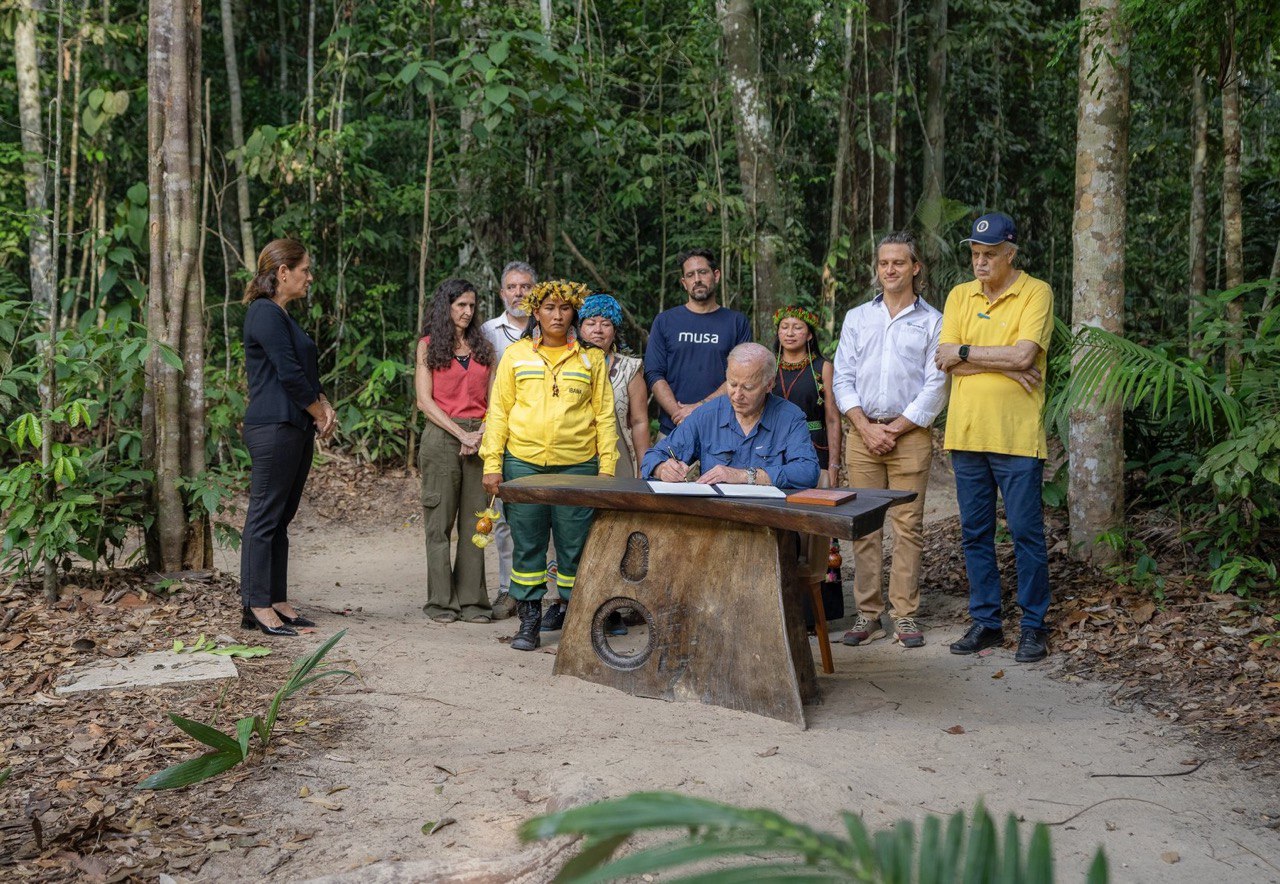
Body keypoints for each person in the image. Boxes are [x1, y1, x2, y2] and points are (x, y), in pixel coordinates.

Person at [935, 212, 1054, 663]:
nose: (980, 262)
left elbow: (1026, 355)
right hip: (966, 433)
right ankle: (986, 622)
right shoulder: (960, 295)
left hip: (1017, 437)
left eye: (989, 255)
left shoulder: (1036, 292)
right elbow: (944, 359)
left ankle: (1033, 626)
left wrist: (966, 353)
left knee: (1025, 533)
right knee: (975, 534)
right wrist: (998, 361)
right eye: (975, 254)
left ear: (1010, 253)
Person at [481, 280, 618, 651]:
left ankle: (576, 618)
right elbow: (499, 413)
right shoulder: (516, 355)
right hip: (523, 464)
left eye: (564, 308)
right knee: (528, 545)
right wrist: (492, 463)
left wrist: (607, 468)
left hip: (578, 468)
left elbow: (604, 417)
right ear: (535, 312)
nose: (557, 315)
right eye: (548, 308)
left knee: (576, 546)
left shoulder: (590, 359)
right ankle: (529, 621)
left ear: (574, 312)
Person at [831, 231, 948, 649]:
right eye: (884, 263)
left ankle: (906, 616)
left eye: (899, 262)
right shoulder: (857, 317)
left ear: (915, 268)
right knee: (864, 528)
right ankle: (868, 614)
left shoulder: (934, 321)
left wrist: (895, 428)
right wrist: (864, 426)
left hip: (910, 436)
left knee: (907, 527)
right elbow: (842, 377)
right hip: (862, 435)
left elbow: (936, 386)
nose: (890, 270)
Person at [239, 239, 336, 637]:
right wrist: (318, 413)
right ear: (283, 273)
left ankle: (276, 598)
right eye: (305, 270)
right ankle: (256, 605)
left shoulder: (284, 317)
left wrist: (324, 405)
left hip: (294, 427)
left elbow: (304, 371)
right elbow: (288, 374)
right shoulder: (263, 313)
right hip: (273, 427)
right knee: (264, 516)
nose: (309, 277)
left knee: (281, 518)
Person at [414, 278, 495, 624]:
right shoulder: (428, 346)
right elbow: (424, 401)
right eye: (461, 305)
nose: (467, 311)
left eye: (472, 306)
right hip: (441, 438)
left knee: (478, 524)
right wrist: (460, 434)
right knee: (439, 523)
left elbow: (496, 402)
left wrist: (480, 434)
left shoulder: (483, 347)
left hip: (480, 437)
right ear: (446, 306)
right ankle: (441, 603)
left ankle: (474, 602)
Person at [641, 343, 819, 490]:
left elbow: (808, 472)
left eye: (748, 388)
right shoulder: (707, 415)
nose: (737, 395)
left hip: (770, 520)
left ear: (769, 384)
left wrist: (744, 476)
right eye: (732, 384)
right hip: (717, 520)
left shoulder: (789, 417)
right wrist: (662, 468)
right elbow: (653, 456)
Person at [644, 248, 752, 440]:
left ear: (716, 275)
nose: (697, 279)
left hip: (723, 431)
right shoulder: (665, 321)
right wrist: (679, 414)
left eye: (703, 272)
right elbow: (654, 373)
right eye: (690, 275)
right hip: (673, 429)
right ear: (684, 283)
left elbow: (742, 375)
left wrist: (699, 409)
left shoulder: (736, 322)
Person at [479, 261, 536, 619]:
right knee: (501, 519)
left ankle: (540, 593)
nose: (519, 293)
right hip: (500, 434)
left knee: (540, 516)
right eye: (512, 287)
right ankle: (507, 590)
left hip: (537, 436)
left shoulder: (550, 328)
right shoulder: (487, 332)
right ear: (502, 293)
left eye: (526, 286)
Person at [577, 293, 649, 478]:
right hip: (574, 459)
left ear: (615, 331)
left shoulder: (629, 369)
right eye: (591, 323)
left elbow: (639, 421)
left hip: (619, 457)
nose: (598, 330)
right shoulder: (566, 365)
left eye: (606, 324)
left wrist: (644, 469)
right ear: (579, 328)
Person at [771, 305, 841, 487]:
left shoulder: (823, 368)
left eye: (798, 327)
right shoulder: (768, 367)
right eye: (784, 327)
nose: (790, 333)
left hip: (813, 442)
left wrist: (834, 465)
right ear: (778, 332)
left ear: (809, 334)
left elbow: (832, 419)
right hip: (774, 443)